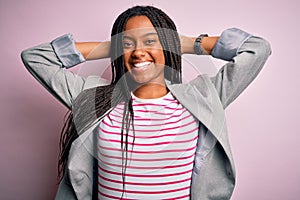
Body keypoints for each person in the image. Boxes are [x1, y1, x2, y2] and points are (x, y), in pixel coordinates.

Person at [21, 5, 271, 200]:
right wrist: (116, 46)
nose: (138, 52)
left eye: (151, 41)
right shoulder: (94, 98)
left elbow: (257, 48)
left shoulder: (203, 96)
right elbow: (35, 58)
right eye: (128, 44)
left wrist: (189, 44)